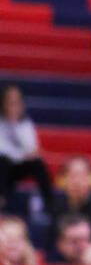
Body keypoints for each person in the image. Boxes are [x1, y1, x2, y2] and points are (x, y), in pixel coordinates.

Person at [0, 84, 54, 213]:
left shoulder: (25, 123)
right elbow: (2, 149)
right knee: (3, 161)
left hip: (17, 166)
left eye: (16, 102)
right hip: (3, 166)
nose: (13, 105)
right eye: (10, 102)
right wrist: (21, 155)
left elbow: (31, 149)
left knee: (38, 164)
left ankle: (50, 203)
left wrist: (14, 122)